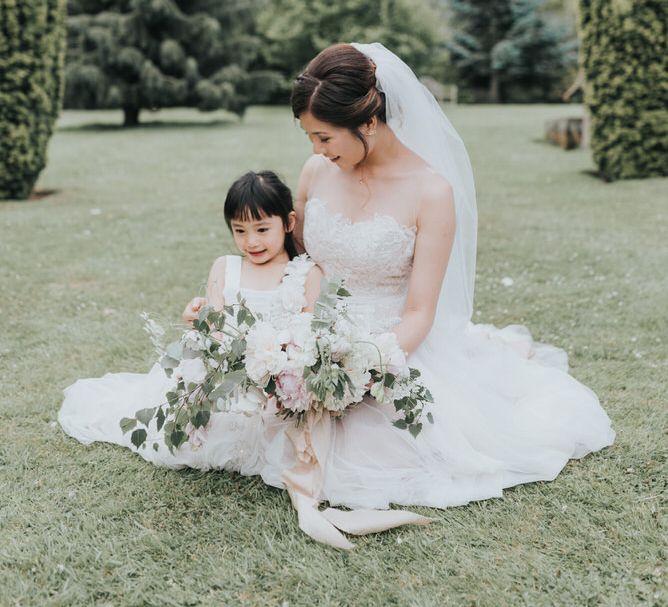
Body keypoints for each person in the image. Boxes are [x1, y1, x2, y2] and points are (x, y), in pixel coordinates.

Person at [287, 43, 615, 512]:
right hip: (311, 331)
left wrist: (362, 365)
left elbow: (421, 312)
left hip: (394, 344)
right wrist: (295, 340)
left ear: (367, 122)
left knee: (379, 442)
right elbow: (303, 261)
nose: (317, 151)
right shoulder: (315, 172)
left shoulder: (430, 191)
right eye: (310, 138)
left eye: (324, 137)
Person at [59, 170, 323, 470]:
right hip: (224, 374)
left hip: (277, 383)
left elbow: (306, 337)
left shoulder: (305, 274)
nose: (251, 241)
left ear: (288, 223)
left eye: (262, 229)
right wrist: (200, 322)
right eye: (239, 230)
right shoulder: (226, 267)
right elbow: (214, 328)